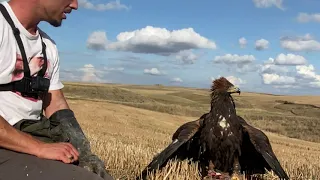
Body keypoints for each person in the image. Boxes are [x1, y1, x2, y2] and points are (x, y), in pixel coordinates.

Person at [0, 0, 114, 179]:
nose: (75, 5)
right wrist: (38, 147)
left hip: (30, 138)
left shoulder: (48, 46)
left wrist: (84, 154)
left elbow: (56, 103)